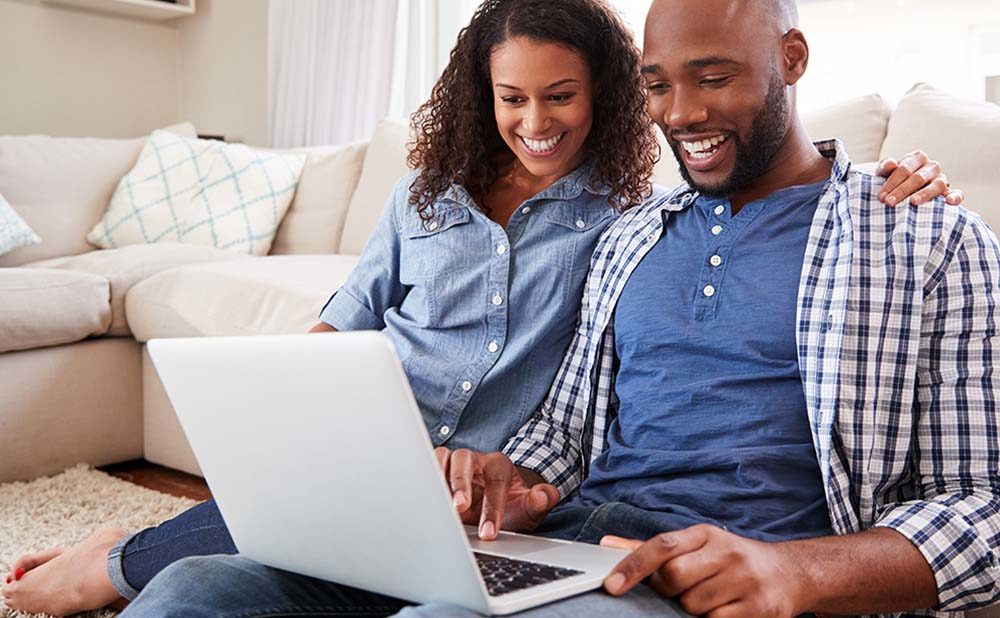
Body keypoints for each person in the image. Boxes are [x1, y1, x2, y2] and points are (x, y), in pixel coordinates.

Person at [0, 0, 967, 616]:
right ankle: (131, 560)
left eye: (713, 78)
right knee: (194, 594)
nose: (681, 114)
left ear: (793, 58)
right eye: (660, 85)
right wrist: (512, 476)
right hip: (561, 533)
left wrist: (801, 573)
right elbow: (566, 428)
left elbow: (988, 506)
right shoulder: (639, 235)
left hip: (714, 564)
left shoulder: (920, 234)